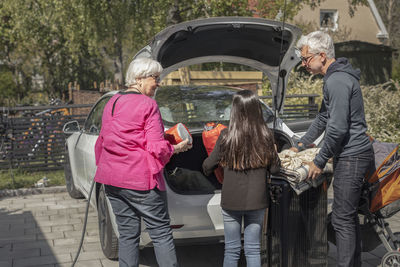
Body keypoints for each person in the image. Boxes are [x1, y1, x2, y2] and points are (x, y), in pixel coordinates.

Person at [94, 57, 192, 267]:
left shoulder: (112, 102)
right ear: (139, 79)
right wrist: (176, 148)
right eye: (155, 78)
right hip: (142, 182)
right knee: (161, 234)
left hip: (112, 180)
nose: (158, 83)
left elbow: (102, 142)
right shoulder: (149, 105)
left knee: (128, 236)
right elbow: (156, 148)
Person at [292, 31, 373, 267]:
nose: (304, 64)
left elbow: (336, 129)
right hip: (352, 154)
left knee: (341, 219)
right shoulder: (334, 78)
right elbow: (323, 118)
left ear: (323, 56)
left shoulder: (337, 81)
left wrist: (319, 161)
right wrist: (301, 144)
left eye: (306, 59)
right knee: (346, 218)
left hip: (352, 156)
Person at [202, 90, 280, 267]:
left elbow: (207, 166)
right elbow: (275, 169)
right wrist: (274, 153)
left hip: (231, 201)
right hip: (257, 201)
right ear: (257, 109)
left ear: (234, 110)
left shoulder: (226, 136)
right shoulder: (266, 136)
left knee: (232, 249)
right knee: (253, 249)